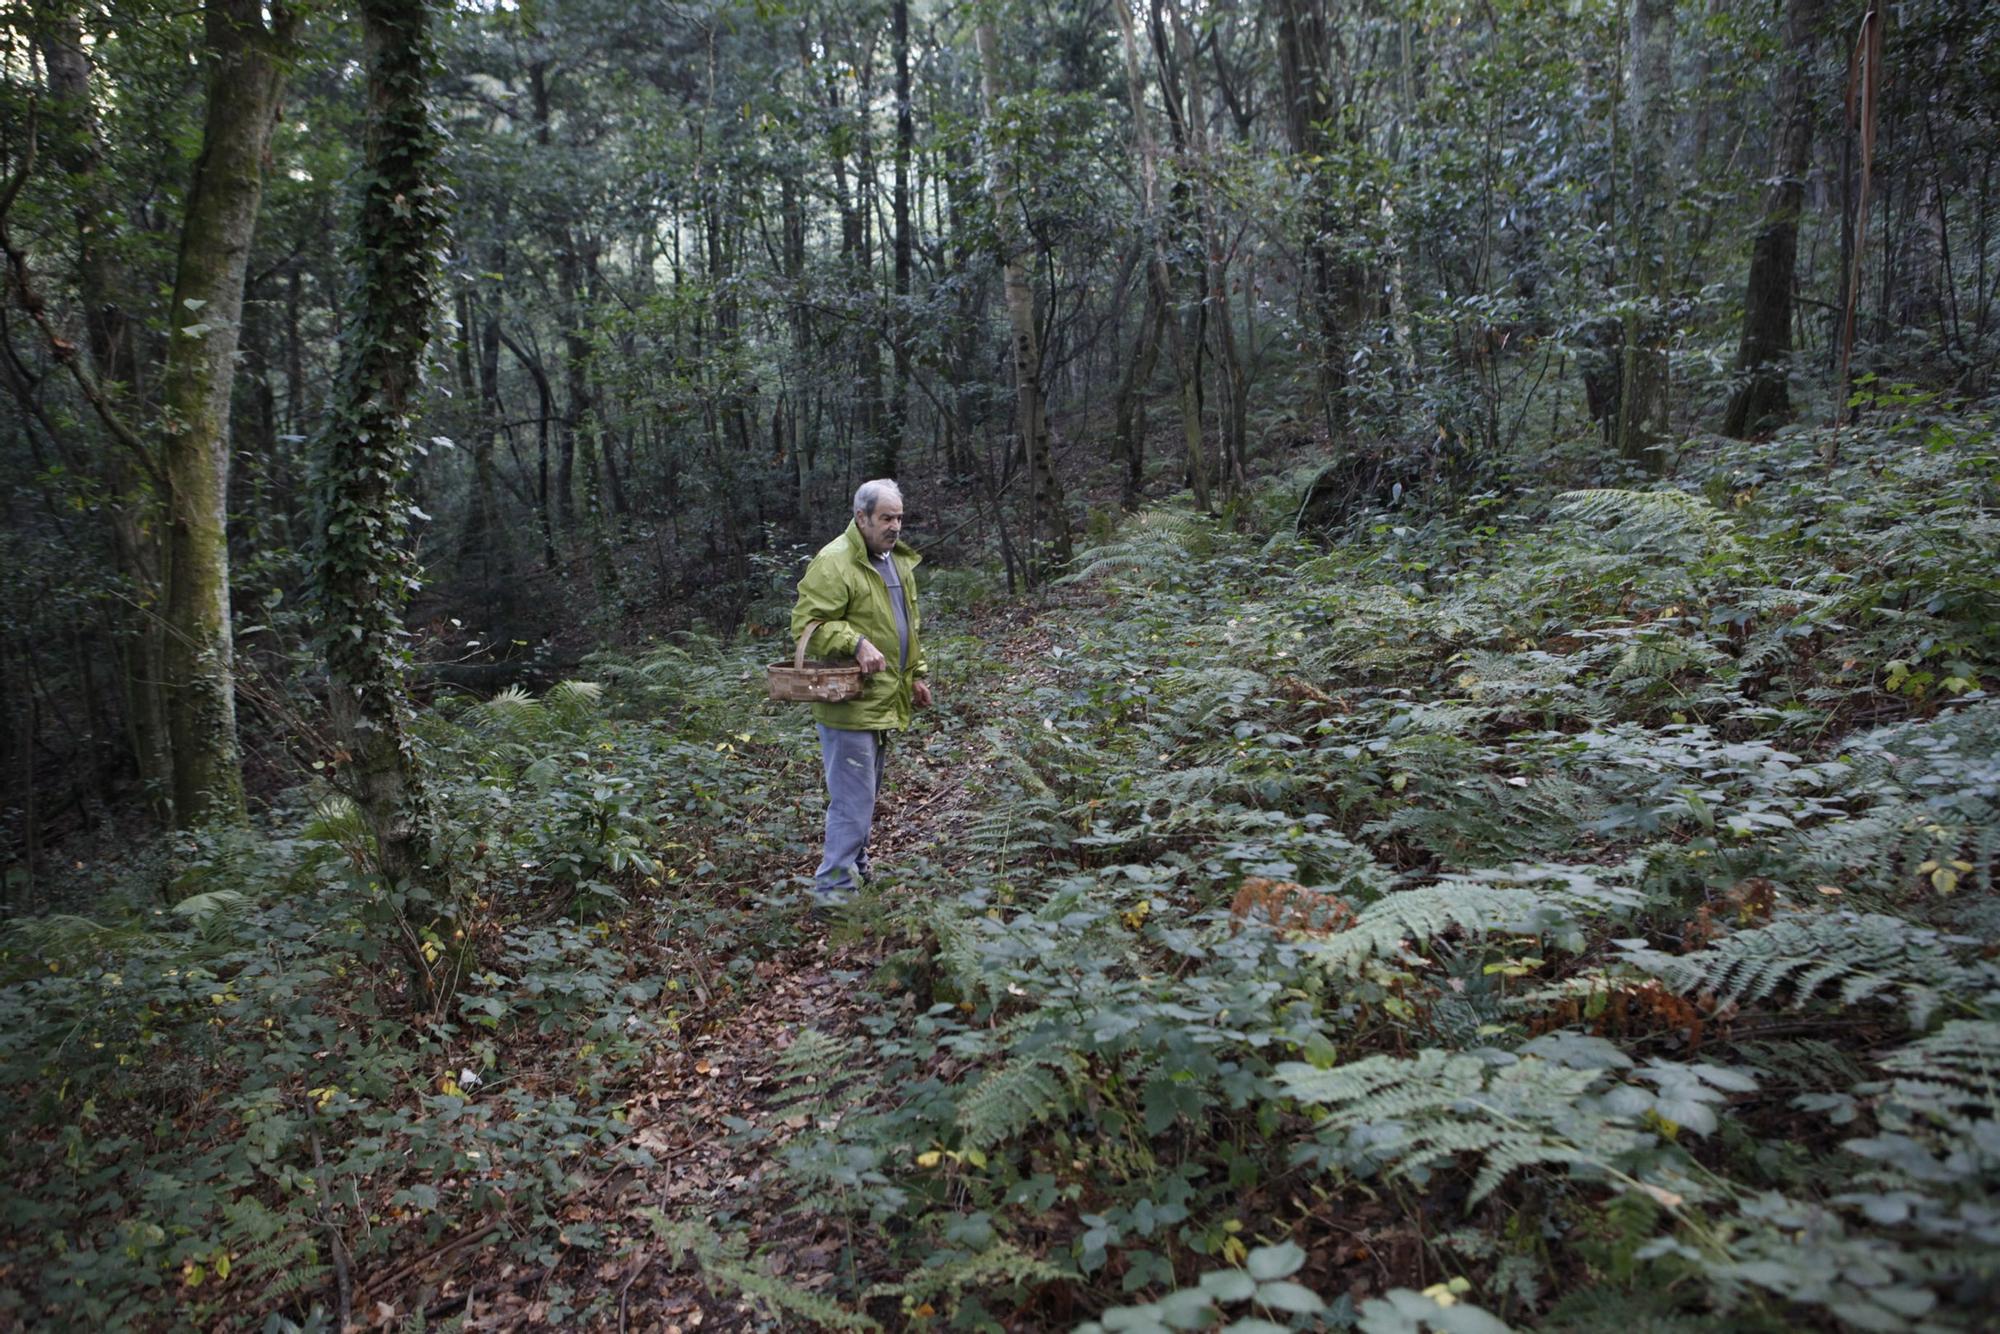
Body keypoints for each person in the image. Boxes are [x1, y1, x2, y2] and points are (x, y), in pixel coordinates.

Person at [790, 479, 933, 904]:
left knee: (864, 798)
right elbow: (807, 625)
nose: (895, 526)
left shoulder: (895, 561)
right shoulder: (834, 563)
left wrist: (915, 675)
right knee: (852, 803)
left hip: (883, 698)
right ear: (861, 517)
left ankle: (858, 868)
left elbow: (907, 626)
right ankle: (833, 896)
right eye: (886, 518)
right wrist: (853, 642)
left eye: (900, 517)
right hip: (848, 703)